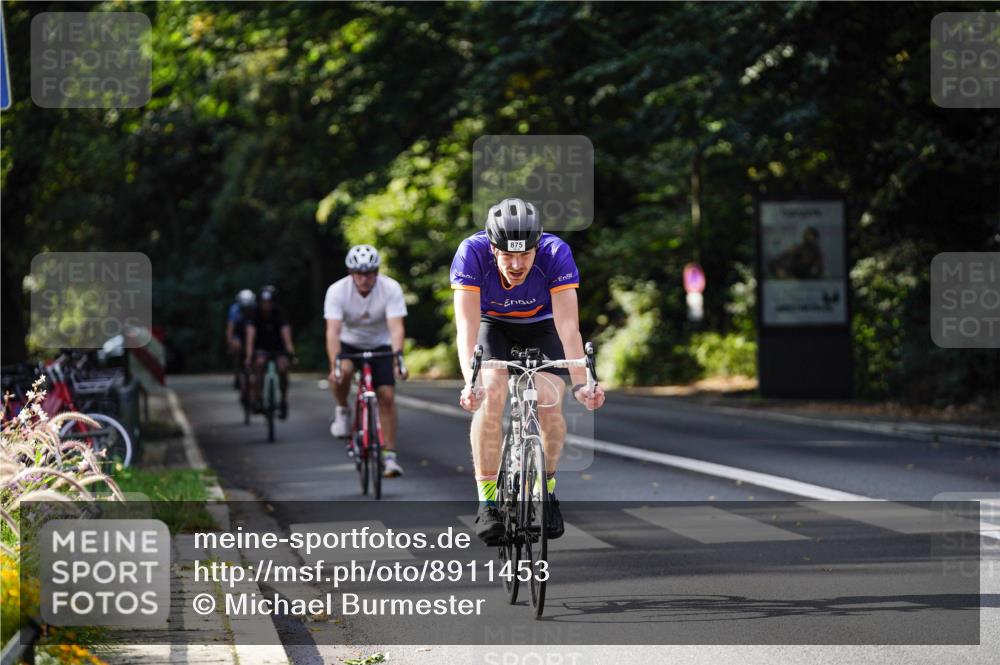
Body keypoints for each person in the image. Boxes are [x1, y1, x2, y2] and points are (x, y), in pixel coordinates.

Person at [451, 197, 605, 545]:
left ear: (537, 248)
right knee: (492, 394)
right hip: (492, 325)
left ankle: (545, 492)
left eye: (525, 255)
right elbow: (467, 328)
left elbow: (568, 327)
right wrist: (471, 383)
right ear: (493, 249)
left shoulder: (556, 253)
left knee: (549, 400)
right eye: (507, 255)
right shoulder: (471, 253)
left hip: (542, 324)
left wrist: (582, 384)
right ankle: (488, 503)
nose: (517, 265)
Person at [325, 245, 409, 478]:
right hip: (349, 343)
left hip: (380, 344)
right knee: (342, 372)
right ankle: (343, 409)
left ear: (376, 272)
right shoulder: (337, 291)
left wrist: (398, 360)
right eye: (359, 273)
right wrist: (334, 366)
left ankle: (389, 456)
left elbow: (396, 327)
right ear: (351, 273)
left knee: (387, 396)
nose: (364, 279)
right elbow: (333, 331)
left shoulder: (390, 288)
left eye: (369, 273)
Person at [244, 285, 295, 419]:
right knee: (259, 365)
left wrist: (291, 352)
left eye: (269, 302)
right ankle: (258, 398)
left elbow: (286, 332)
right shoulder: (255, 314)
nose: (266, 305)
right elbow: (250, 336)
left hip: (278, 347)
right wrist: (249, 356)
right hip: (261, 348)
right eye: (263, 302)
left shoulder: (279, 313)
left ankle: (283, 400)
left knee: (283, 368)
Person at [225, 289, 256, 389]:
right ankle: (237, 374)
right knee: (236, 348)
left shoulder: (256, 309)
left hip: (253, 335)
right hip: (239, 335)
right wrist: (230, 342)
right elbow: (230, 328)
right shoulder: (235, 309)